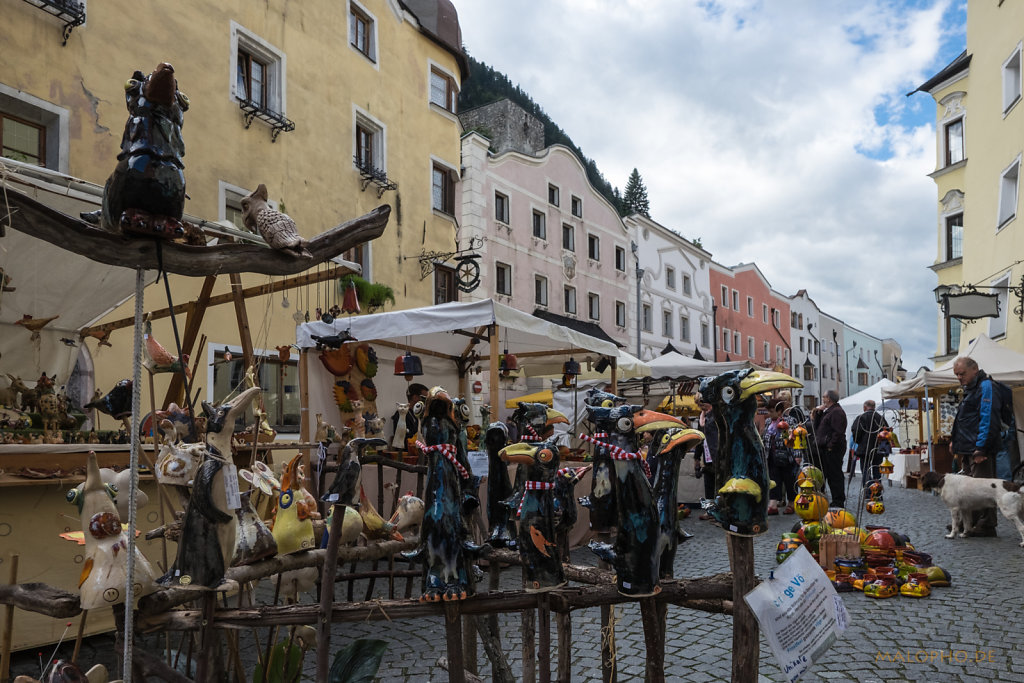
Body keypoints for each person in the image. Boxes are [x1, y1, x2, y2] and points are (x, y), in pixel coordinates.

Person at [950, 357, 1005, 536]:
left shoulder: (986, 386)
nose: (959, 377)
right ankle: (969, 524)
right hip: (968, 447)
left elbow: (988, 418)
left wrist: (981, 448)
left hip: (979, 449)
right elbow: (964, 420)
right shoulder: (971, 389)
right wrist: (955, 441)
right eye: (957, 374)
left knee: (984, 489)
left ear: (975, 369)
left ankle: (987, 525)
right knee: (970, 491)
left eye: (962, 373)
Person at [811, 389, 848, 508]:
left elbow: (838, 432)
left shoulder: (836, 412)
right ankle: (824, 498)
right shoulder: (829, 411)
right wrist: (818, 413)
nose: (822, 399)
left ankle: (838, 500)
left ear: (829, 399)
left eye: (824, 397)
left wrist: (831, 446)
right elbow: (817, 428)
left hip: (832, 449)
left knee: (834, 475)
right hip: (824, 448)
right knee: (824, 474)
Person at [764, 400, 798, 514]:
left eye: (772, 411)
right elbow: (766, 438)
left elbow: (796, 439)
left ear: (779, 411)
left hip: (787, 456)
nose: (769, 414)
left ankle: (791, 503)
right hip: (772, 456)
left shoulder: (789, 421)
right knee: (774, 480)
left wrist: (797, 456)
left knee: (789, 480)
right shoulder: (768, 422)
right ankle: (773, 504)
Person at [851, 400, 891, 485]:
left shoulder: (861, 417)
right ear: (874, 407)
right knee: (877, 470)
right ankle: (877, 491)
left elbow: (856, 431)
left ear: (865, 407)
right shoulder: (880, 418)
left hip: (865, 449)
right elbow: (887, 432)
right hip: (878, 448)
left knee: (866, 470)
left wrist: (858, 441)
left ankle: (869, 491)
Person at [693, 399, 718, 520]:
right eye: (699, 405)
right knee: (708, 484)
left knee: (718, 485)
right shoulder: (702, 418)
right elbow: (699, 438)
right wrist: (696, 458)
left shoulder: (717, 415)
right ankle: (709, 511)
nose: (701, 407)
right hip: (707, 455)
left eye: (702, 404)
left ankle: (720, 511)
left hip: (717, 455)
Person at [390, 382, 429, 450]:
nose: (426, 401)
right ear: (415, 397)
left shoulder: (422, 414)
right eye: (424, 398)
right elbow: (404, 438)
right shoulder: (402, 414)